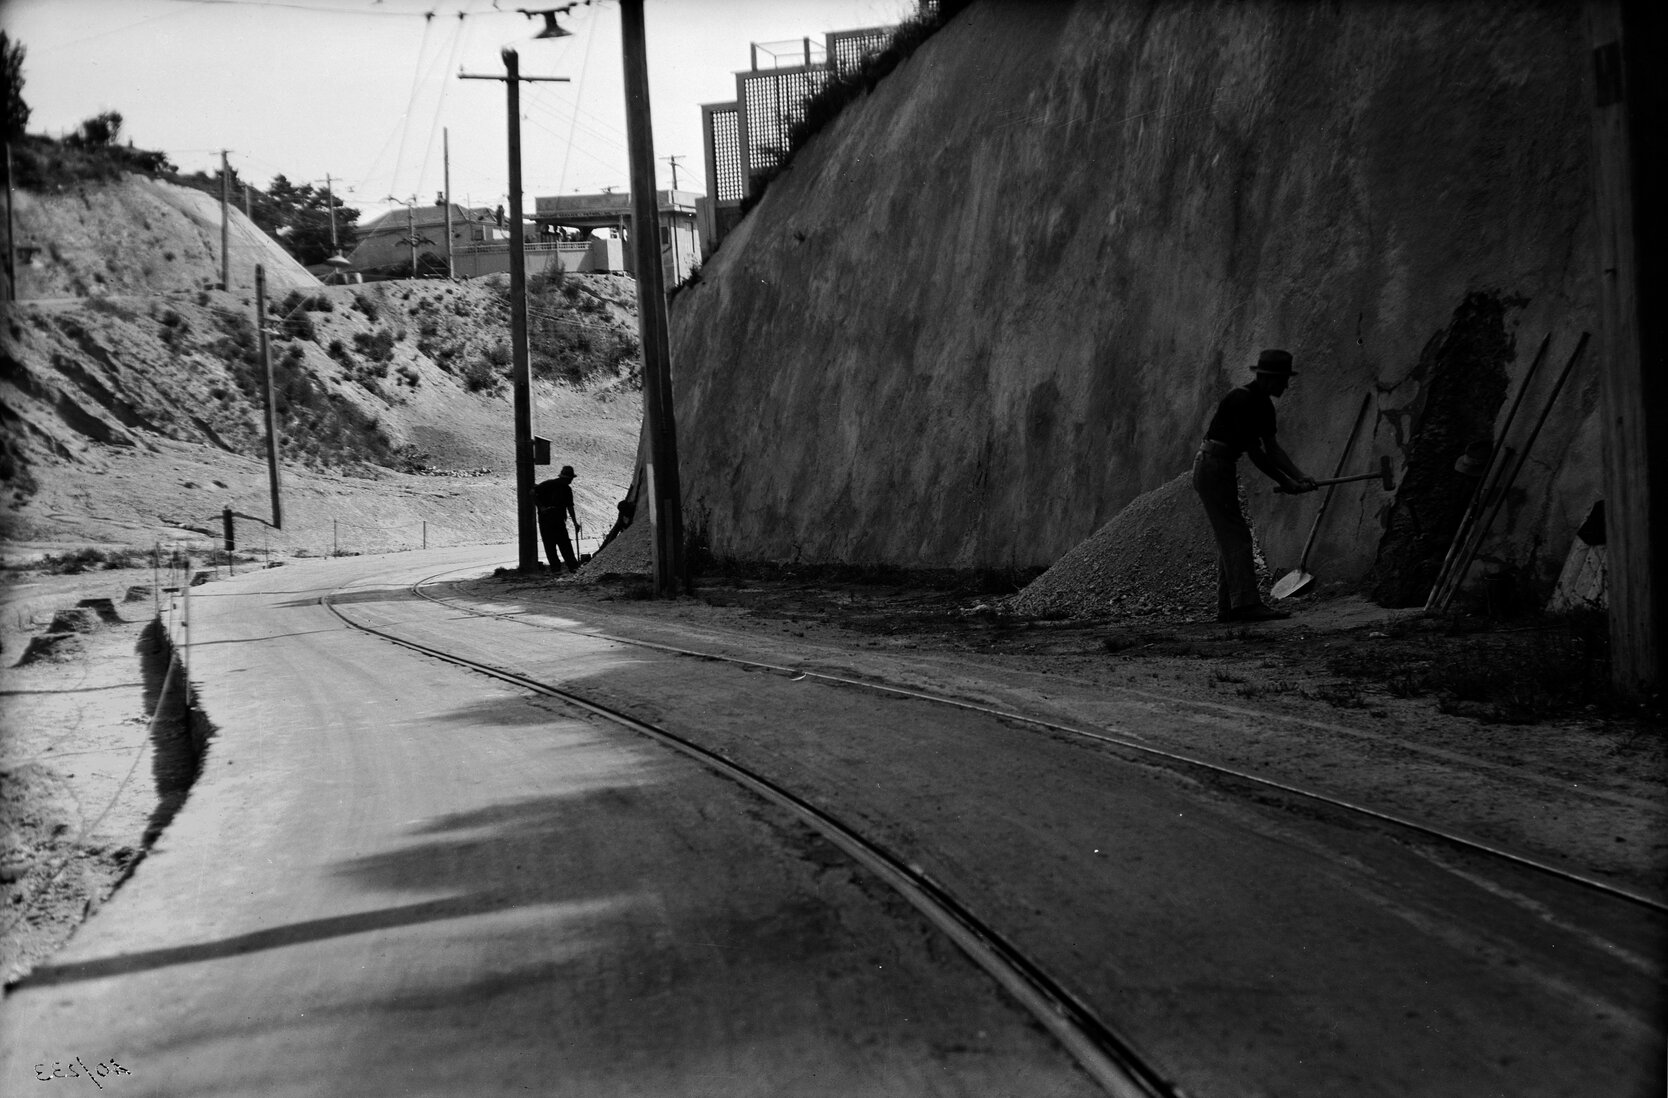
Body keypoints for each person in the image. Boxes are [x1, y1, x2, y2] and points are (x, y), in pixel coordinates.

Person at [1193, 349, 1316, 622]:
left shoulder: (1264, 406)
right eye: (1283, 379)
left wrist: (1299, 476)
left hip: (1221, 466)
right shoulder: (1242, 400)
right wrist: (1286, 481)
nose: (1286, 385)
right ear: (1268, 378)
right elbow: (1257, 454)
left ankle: (1229, 608)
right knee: (1237, 537)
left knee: (1231, 537)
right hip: (1212, 466)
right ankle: (1245, 605)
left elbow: (1273, 449)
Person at [533, 465, 581, 573]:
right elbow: (570, 507)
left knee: (551, 543)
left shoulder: (550, 484)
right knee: (563, 543)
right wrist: (575, 522)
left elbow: (532, 492)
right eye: (571, 478)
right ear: (567, 478)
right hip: (553, 517)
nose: (571, 481)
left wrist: (541, 507)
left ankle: (557, 568)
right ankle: (571, 566)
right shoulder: (563, 488)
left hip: (548, 518)